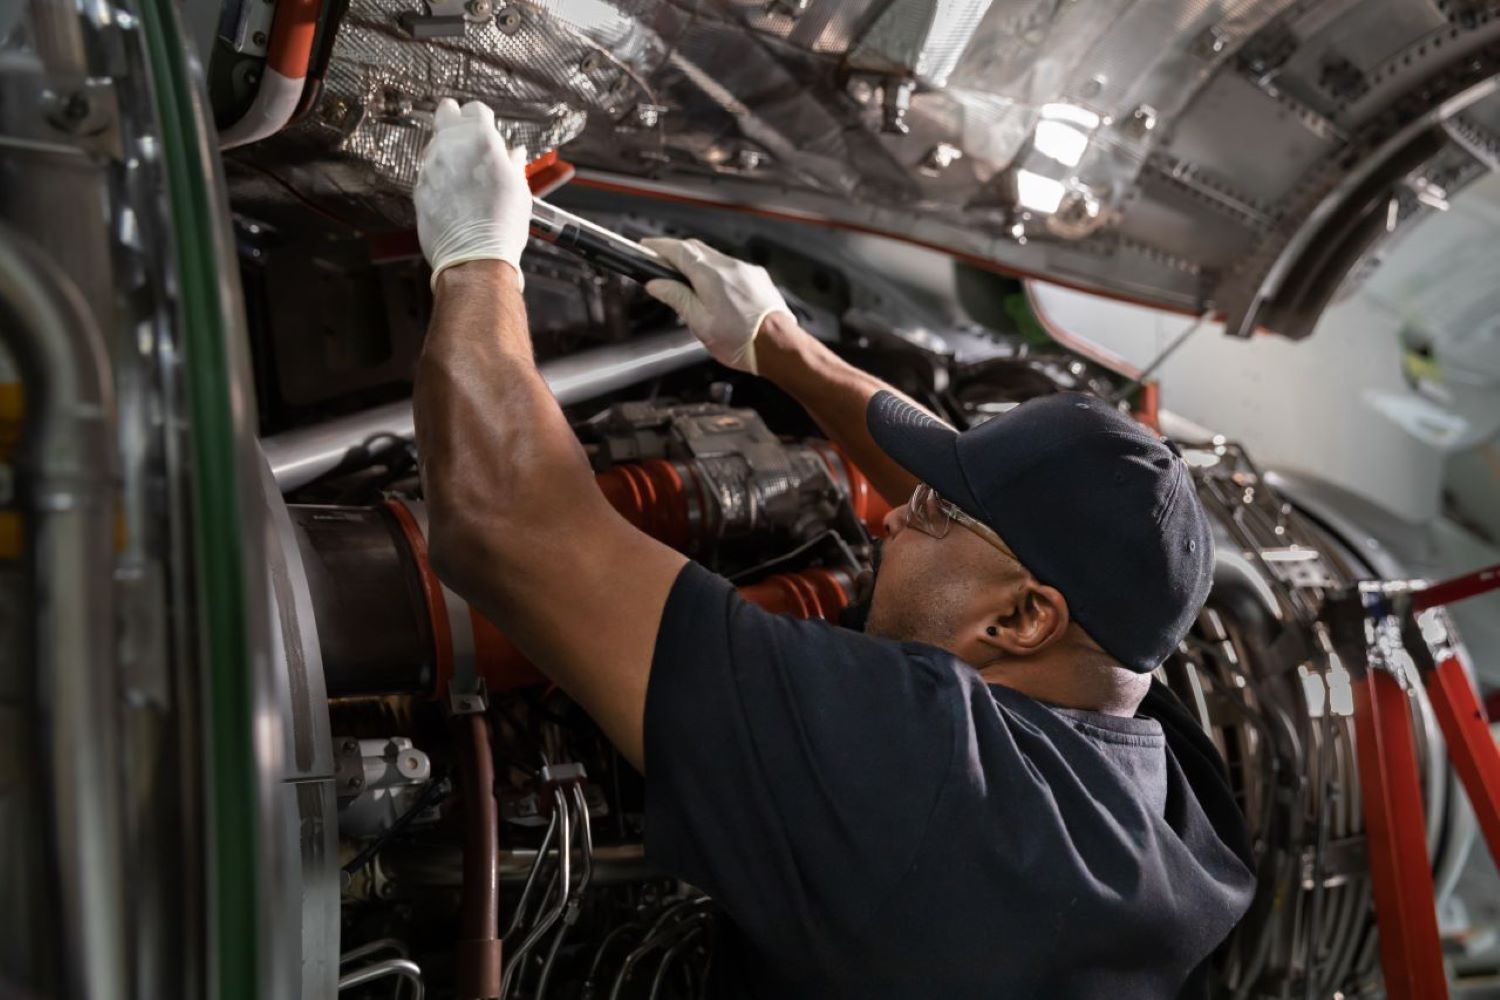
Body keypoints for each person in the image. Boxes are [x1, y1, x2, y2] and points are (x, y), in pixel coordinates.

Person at [410, 98, 1256, 999]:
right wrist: (779, 347)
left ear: (1021, 616)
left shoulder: (928, 774)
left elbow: (504, 524)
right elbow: (1016, 545)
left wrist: (474, 258)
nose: (889, 518)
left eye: (928, 511)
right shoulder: (1165, 781)